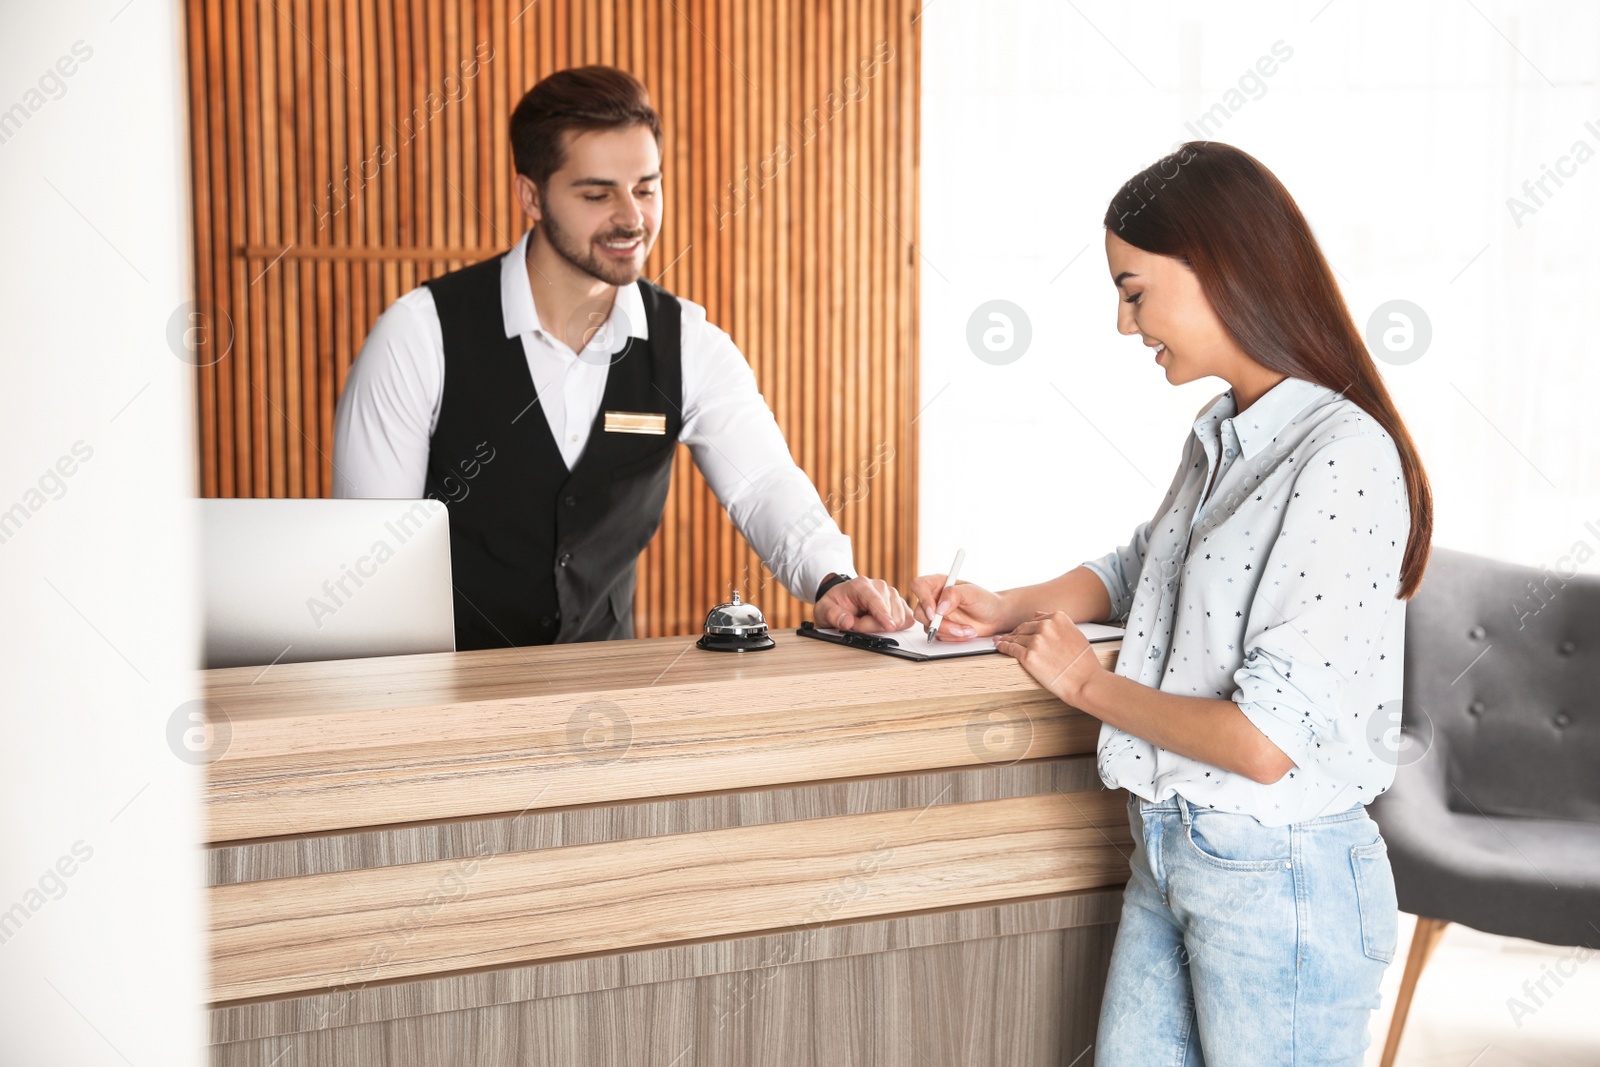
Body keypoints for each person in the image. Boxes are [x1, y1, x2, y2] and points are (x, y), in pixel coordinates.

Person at [911, 142, 1433, 1065]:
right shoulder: (1223, 437)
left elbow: (1263, 744)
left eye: (1134, 289)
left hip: (1282, 875)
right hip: (1172, 847)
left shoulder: (1342, 457)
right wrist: (1003, 607)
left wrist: (1085, 683)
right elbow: (1141, 563)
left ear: (1218, 268)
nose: (1124, 322)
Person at [332, 65, 911, 649]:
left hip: (606, 704)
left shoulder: (687, 340)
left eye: (646, 187)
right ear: (531, 196)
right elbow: (375, 556)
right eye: (597, 193)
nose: (632, 218)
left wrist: (830, 577)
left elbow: (762, 482)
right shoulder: (419, 335)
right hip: (443, 697)